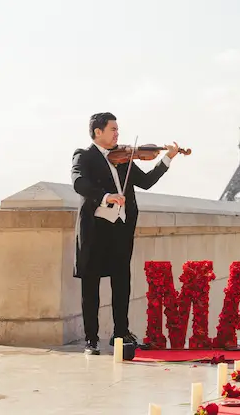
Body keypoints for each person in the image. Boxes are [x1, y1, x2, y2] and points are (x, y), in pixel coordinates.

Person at [72, 112, 182, 355]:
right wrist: (105, 196)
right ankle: (91, 340)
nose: (117, 134)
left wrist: (167, 159)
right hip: (95, 230)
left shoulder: (123, 159)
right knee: (91, 286)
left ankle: (120, 332)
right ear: (97, 132)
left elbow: (146, 182)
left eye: (118, 130)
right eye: (113, 129)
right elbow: (79, 182)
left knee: (121, 282)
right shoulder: (84, 155)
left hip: (120, 229)